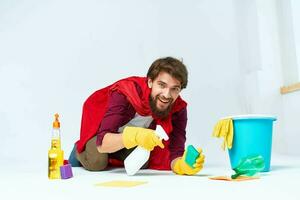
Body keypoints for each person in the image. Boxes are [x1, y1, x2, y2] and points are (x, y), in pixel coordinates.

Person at [68, 57, 205, 175]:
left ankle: (113, 156)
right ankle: (79, 150)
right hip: (102, 137)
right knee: (97, 162)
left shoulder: (178, 108)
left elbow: (175, 151)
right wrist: (135, 136)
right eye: (162, 85)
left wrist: (181, 166)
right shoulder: (125, 92)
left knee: (143, 161)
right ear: (150, 82)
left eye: (174, 89)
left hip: (126, 144)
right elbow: (103, 142)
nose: (166, 95)